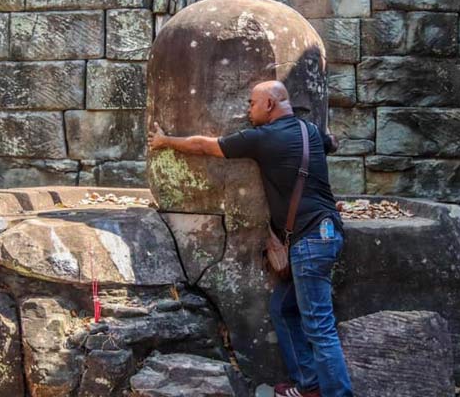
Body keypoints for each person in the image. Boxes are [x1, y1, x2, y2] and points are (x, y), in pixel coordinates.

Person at [147, 80, 353, 397]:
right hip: (323, 232)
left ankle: (338, 394)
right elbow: (330, 143)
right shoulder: (308, 130)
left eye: (252, 103)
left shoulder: (265, 138)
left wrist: (164, 141)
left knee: (319, 327)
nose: (248, 109)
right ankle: (309, 384)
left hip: (310, 241)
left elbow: (206, 146)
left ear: (269, 104)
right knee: (282, 308)